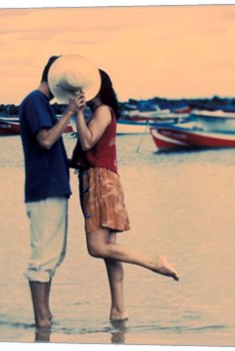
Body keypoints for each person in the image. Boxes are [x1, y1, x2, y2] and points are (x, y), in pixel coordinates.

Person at [71, 69, 179, 321]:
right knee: (110, 251)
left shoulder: (102, 111)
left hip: (101, 182)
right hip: (104, 180)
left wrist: (76, 112)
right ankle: (119, 311)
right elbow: (87, 153)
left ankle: (155, 263)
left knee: (97, 248)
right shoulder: (101, 112)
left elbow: (87, 142)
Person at [19, 56, 86, 329]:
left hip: (53, 187)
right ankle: (41, 319)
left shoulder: (43, 105)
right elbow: (46, 140)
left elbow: (49, 146)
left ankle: (45, 318)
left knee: (54, 256)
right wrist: (69, 112)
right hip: (45, 189)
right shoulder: (35, 101)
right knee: (43, 258)